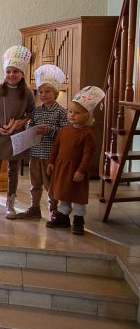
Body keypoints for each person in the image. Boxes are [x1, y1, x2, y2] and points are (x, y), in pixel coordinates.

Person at [0, 46, 35, 219]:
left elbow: (31, 112)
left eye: (15, 71)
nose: (11, 74)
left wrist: (20, 122)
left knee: (13, 169)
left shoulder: (27, 93)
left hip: (16, 136)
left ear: (22, 74)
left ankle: (10, 202)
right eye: (8, 71)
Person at [46, 86, 103, 235]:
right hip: (62, 168)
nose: (72, 115)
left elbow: (88, 154)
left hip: (77, 170)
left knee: (77, 194)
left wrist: (81, 170)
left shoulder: (87, 134)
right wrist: (51, 162)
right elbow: (56, 147)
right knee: (63, 192)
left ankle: (78, 219)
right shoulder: (64, 130)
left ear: (87, 116)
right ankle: (63, 217)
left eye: (77, 113)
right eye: (70, 111)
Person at [17, 64, 68, 220]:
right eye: (41, 92)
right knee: (35, 183)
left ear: (55, 92)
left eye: (47, 91)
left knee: (50, 184)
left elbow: (65, 134)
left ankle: (53, 209)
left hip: (50, 154)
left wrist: (49, 130)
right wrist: (30, 128)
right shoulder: (37, 111)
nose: (43, 95)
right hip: (35, 153)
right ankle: (35, 208)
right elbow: (30, 126)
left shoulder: (61, 112)